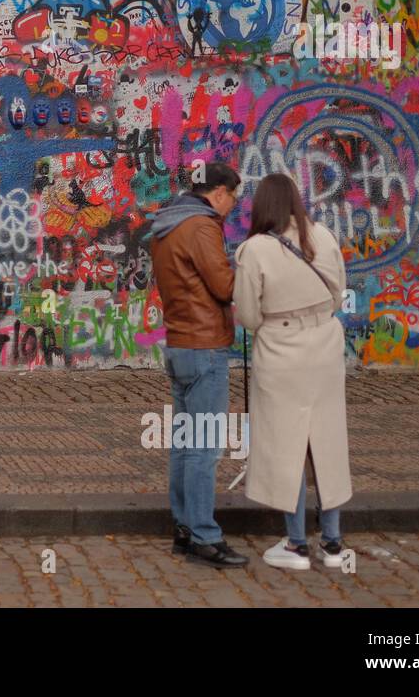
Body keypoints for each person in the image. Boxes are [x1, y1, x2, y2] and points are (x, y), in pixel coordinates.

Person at [232, 173, 352, 570]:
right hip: (325, 344)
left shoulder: (254, 250)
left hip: (282, 350)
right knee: (327, 441)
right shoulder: (324, 236)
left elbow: (248, 316)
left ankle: (297, 543)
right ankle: (333, 544)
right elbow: (338, 293)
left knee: (287, 445)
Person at [148, 162, 248, 568]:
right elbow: (224, 286)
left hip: (179, 343)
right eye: (233, 197)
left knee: (185, 443)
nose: (233, 207)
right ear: (219, 193)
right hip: (205, 347)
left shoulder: (166, 225)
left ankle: (185, 528)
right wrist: (245, 265)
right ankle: (205, 536)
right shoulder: (202, 226)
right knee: (204, 447)